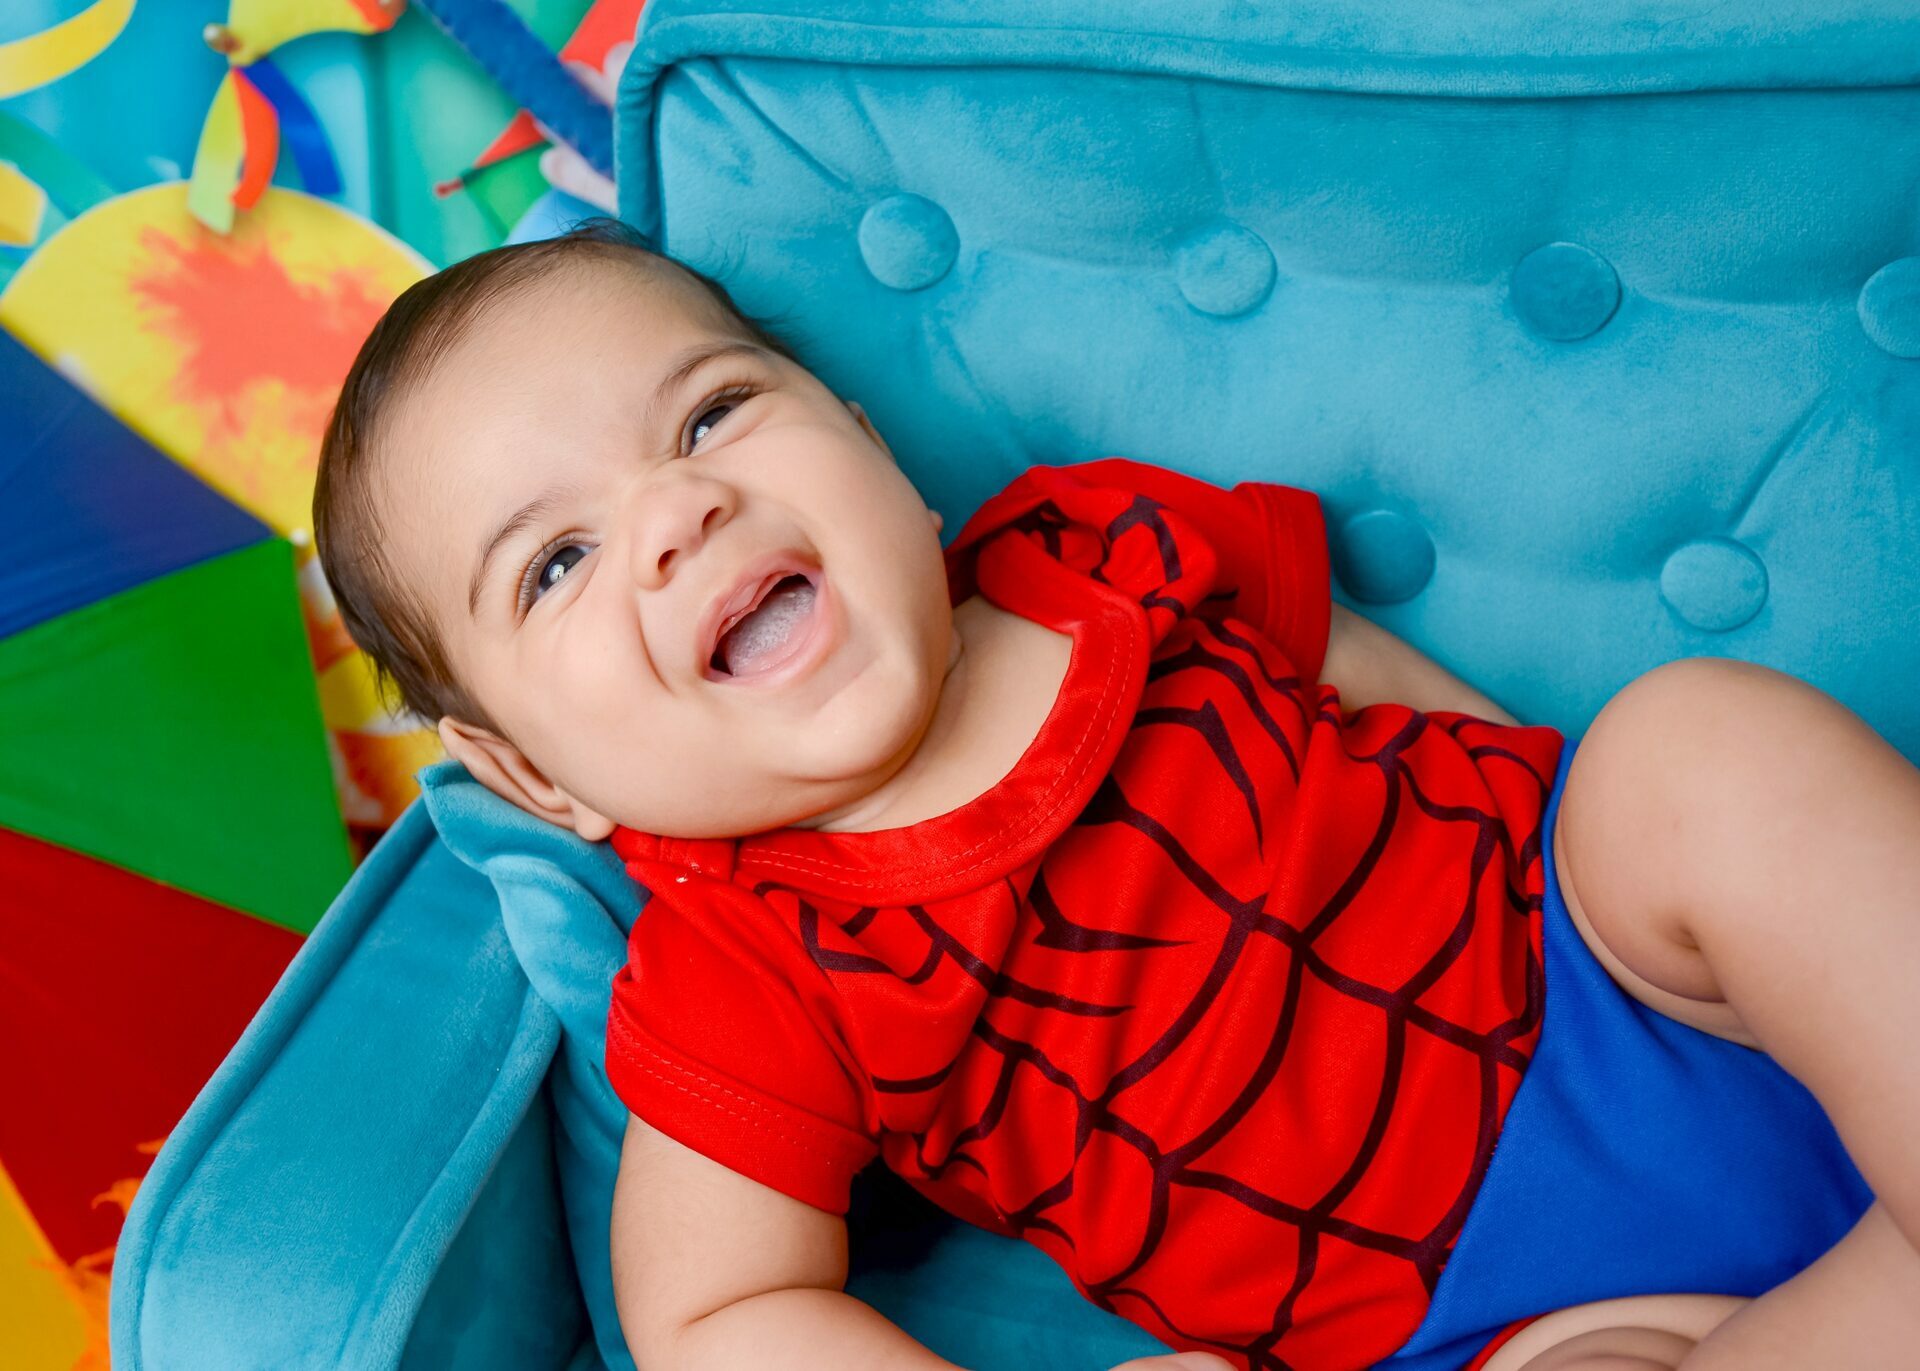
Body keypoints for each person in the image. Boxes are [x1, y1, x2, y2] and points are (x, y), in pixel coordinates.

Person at [312, 221, 1920, 1370]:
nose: (678, 511)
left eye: (715, 411)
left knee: (1695, 751)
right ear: (534, 776)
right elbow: (714, 1315)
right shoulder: (743, 967)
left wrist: (1611, 862)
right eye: (558, 563)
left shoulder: (1098, 552)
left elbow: (1393, 695)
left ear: (872, 453)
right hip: (1491, 1312)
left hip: (1633, 972)